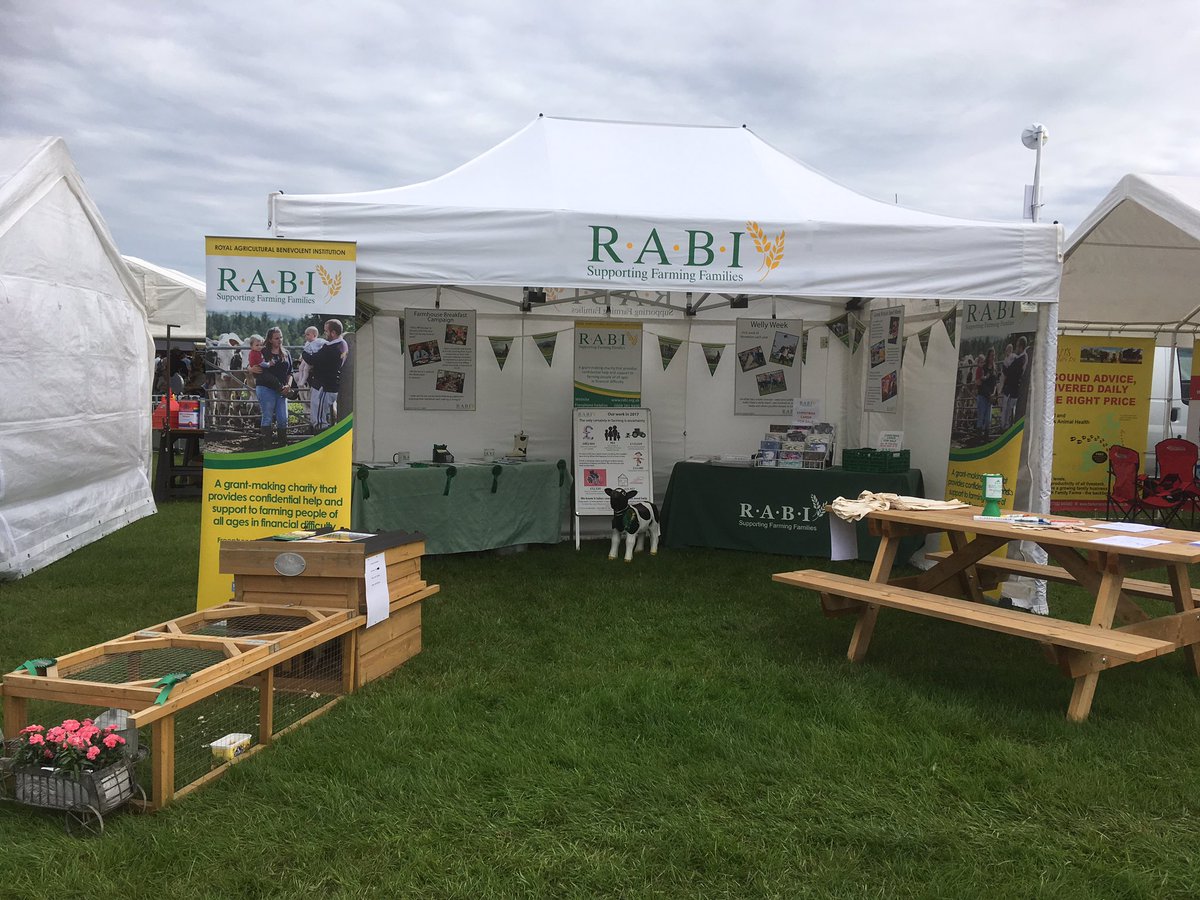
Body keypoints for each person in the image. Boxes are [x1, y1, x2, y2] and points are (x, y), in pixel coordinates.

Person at [250, 327, 293, 448]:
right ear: (269, 340)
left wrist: (289, 385)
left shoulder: (286, 353)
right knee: (267, 417)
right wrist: (250, 368)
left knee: (283, 418)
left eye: (281, 337)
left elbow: (290, 372)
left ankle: (282, 447)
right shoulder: (262, 352)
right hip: (265, 387)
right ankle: (267, 447)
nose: (280, 340)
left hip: (282, 389)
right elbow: (252, 361)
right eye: (276, 338)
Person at [303, 319, 349, 432]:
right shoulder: (343, 344)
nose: (324, 334)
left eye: (326, 331)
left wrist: (304, 352)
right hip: (330, 384)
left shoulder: (331, 348)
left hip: (324, 386)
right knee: (322, 416)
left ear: (333, 333)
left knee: (319, 420)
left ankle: (321, 446)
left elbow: (312, 359)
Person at [1001, 336, 1028, 430]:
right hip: (1012, 387)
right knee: (1008, 408)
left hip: (1013, 388)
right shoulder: (1020, 358)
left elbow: (1009, 371)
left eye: (1017, 346)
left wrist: (1005, 367)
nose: (1016, 348)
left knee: (1010, 409)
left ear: (1021, 347)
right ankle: (1005, 426)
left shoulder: (1021, 359)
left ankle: (1007, 427)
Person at [975, 347, 999, 438]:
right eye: (992, 355)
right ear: (988, 356)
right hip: (983, 395)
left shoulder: (994, 369)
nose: (993, 357)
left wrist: (994, 393)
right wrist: (989, 394)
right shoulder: (983, 368)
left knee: (988, 419)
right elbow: (981, 383)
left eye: (994, 355)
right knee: (981, 417)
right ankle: (978, 438)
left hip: (990, 397)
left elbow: (995, 383)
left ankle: (985, 437)